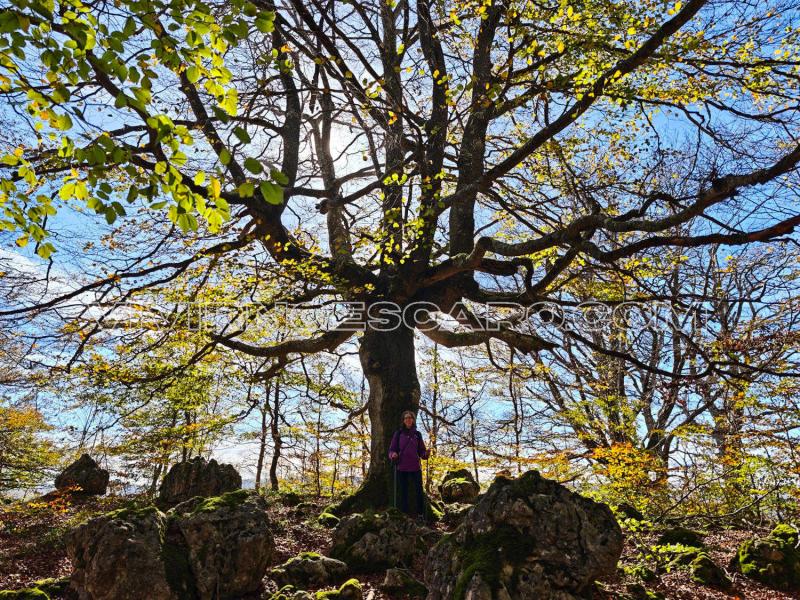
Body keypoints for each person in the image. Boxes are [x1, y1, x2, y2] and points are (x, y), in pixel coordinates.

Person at [388, 410, 429, 517]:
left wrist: (426, 454)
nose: (408, 420)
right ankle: (404, 514)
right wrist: (393, 455)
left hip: (415, 467)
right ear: (403, 420)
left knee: (419, 491)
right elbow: (392, 449)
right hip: (402, 467)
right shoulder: (399, 433)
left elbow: (421, 452)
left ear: (413, 420)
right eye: (406, 418)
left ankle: (420, 514)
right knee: (403, 492)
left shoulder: (417, 434)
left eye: (410, 417)